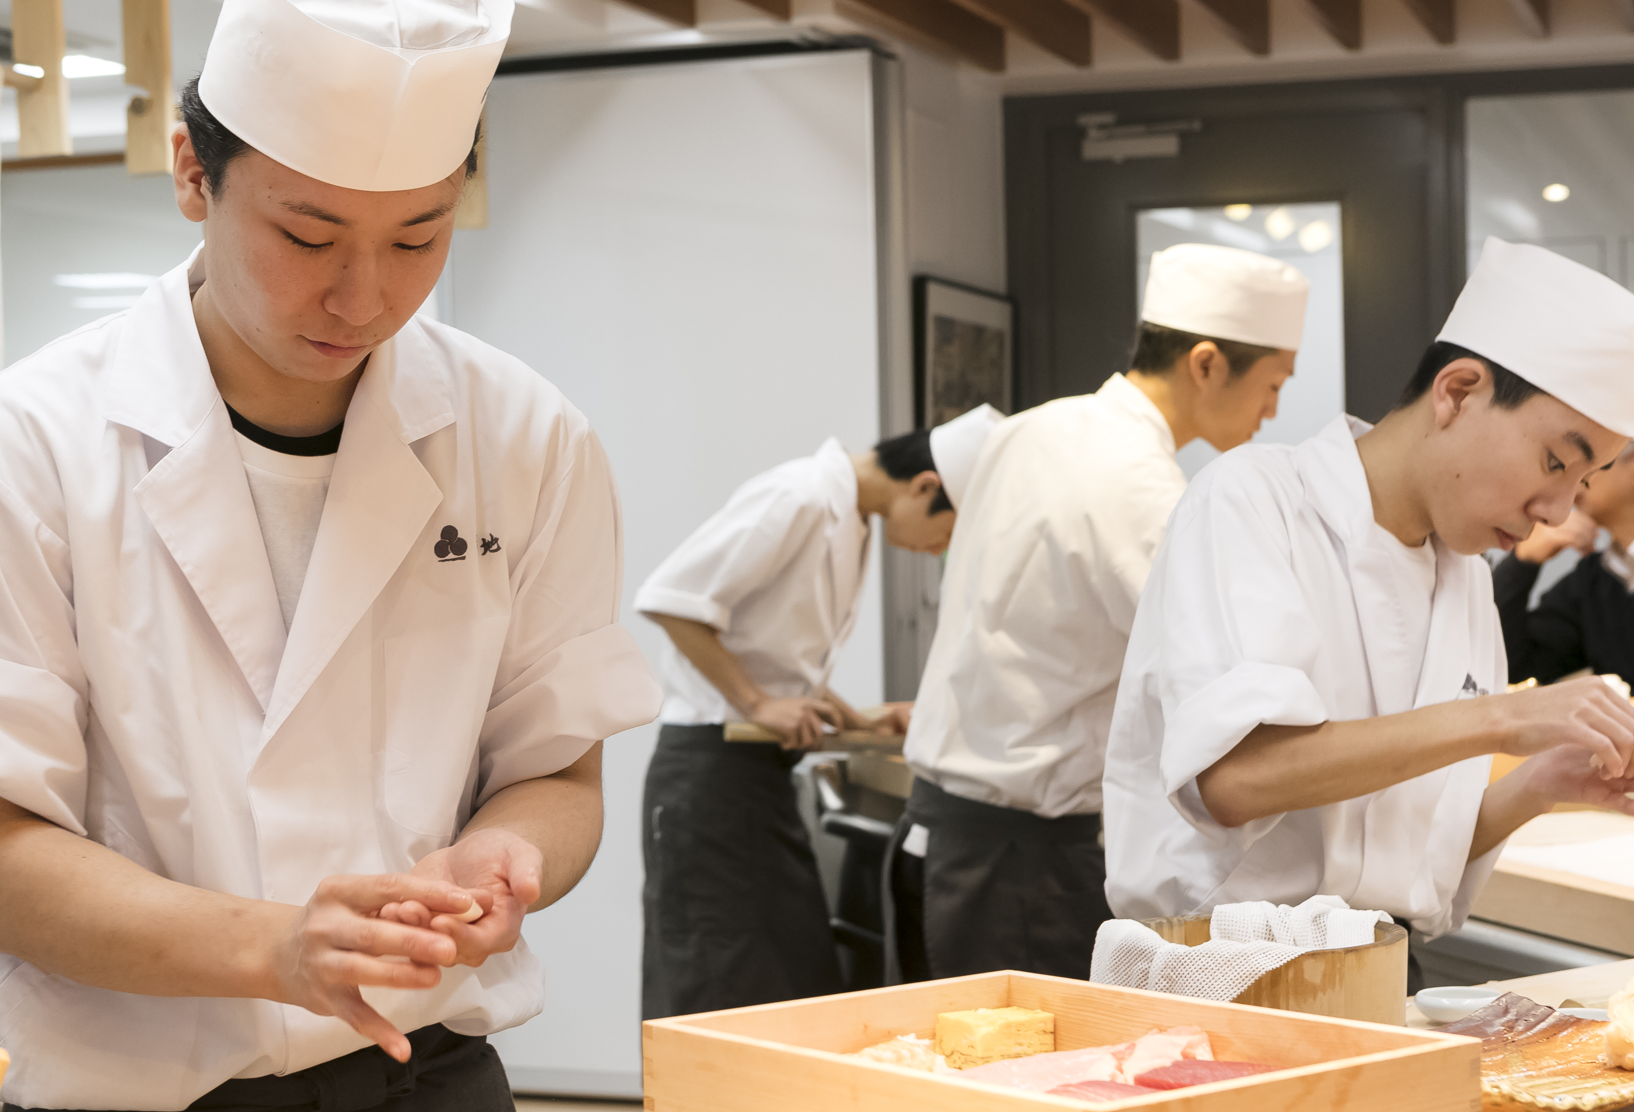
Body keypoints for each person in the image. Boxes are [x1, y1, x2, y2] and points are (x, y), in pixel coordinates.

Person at [0, 0, 660, 1112]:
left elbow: (558, 769)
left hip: (433, 1099)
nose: (362, 296)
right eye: (305, 235)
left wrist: (504, 858)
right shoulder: (22, 450)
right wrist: (272, 945)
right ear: (190, 172)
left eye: (416, 237)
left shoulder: (522, 437)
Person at [1104, 238, 1634, 949]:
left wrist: (1537, 786)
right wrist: (1500, 718)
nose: (1557, 510)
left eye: (1583, 481)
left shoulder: (1464, 573)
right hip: (1219, 977)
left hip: (1379, 970)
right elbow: (1236, 779)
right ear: (1456, 392)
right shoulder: (1256, 501)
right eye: (1553, 462)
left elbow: (1394, 859)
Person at [899, 245, 1307, 981]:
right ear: (1206, 363)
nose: (1273, 409)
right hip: (1018, 861)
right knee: (1024, 1090)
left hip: (940, 829)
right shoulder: (1139, 486)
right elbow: (1213, 675)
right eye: (1272, 383)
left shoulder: (1035, 426)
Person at [636, 407, 1001, 1018]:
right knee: (717, 977)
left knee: (790, 978)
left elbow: (776, 660)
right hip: (708, 775)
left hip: (758, 779)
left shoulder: (851, 518)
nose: (939, 549)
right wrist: (756, 703)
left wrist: (857, 720)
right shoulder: (800, 494)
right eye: (948, 533)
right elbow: (672, 599)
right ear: (925, 486)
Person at [1494, 440, 1634, 685]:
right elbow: (1511, 665)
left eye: (1590, 462)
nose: (1574, 481)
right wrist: (1522, 562)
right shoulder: (1592, 581)